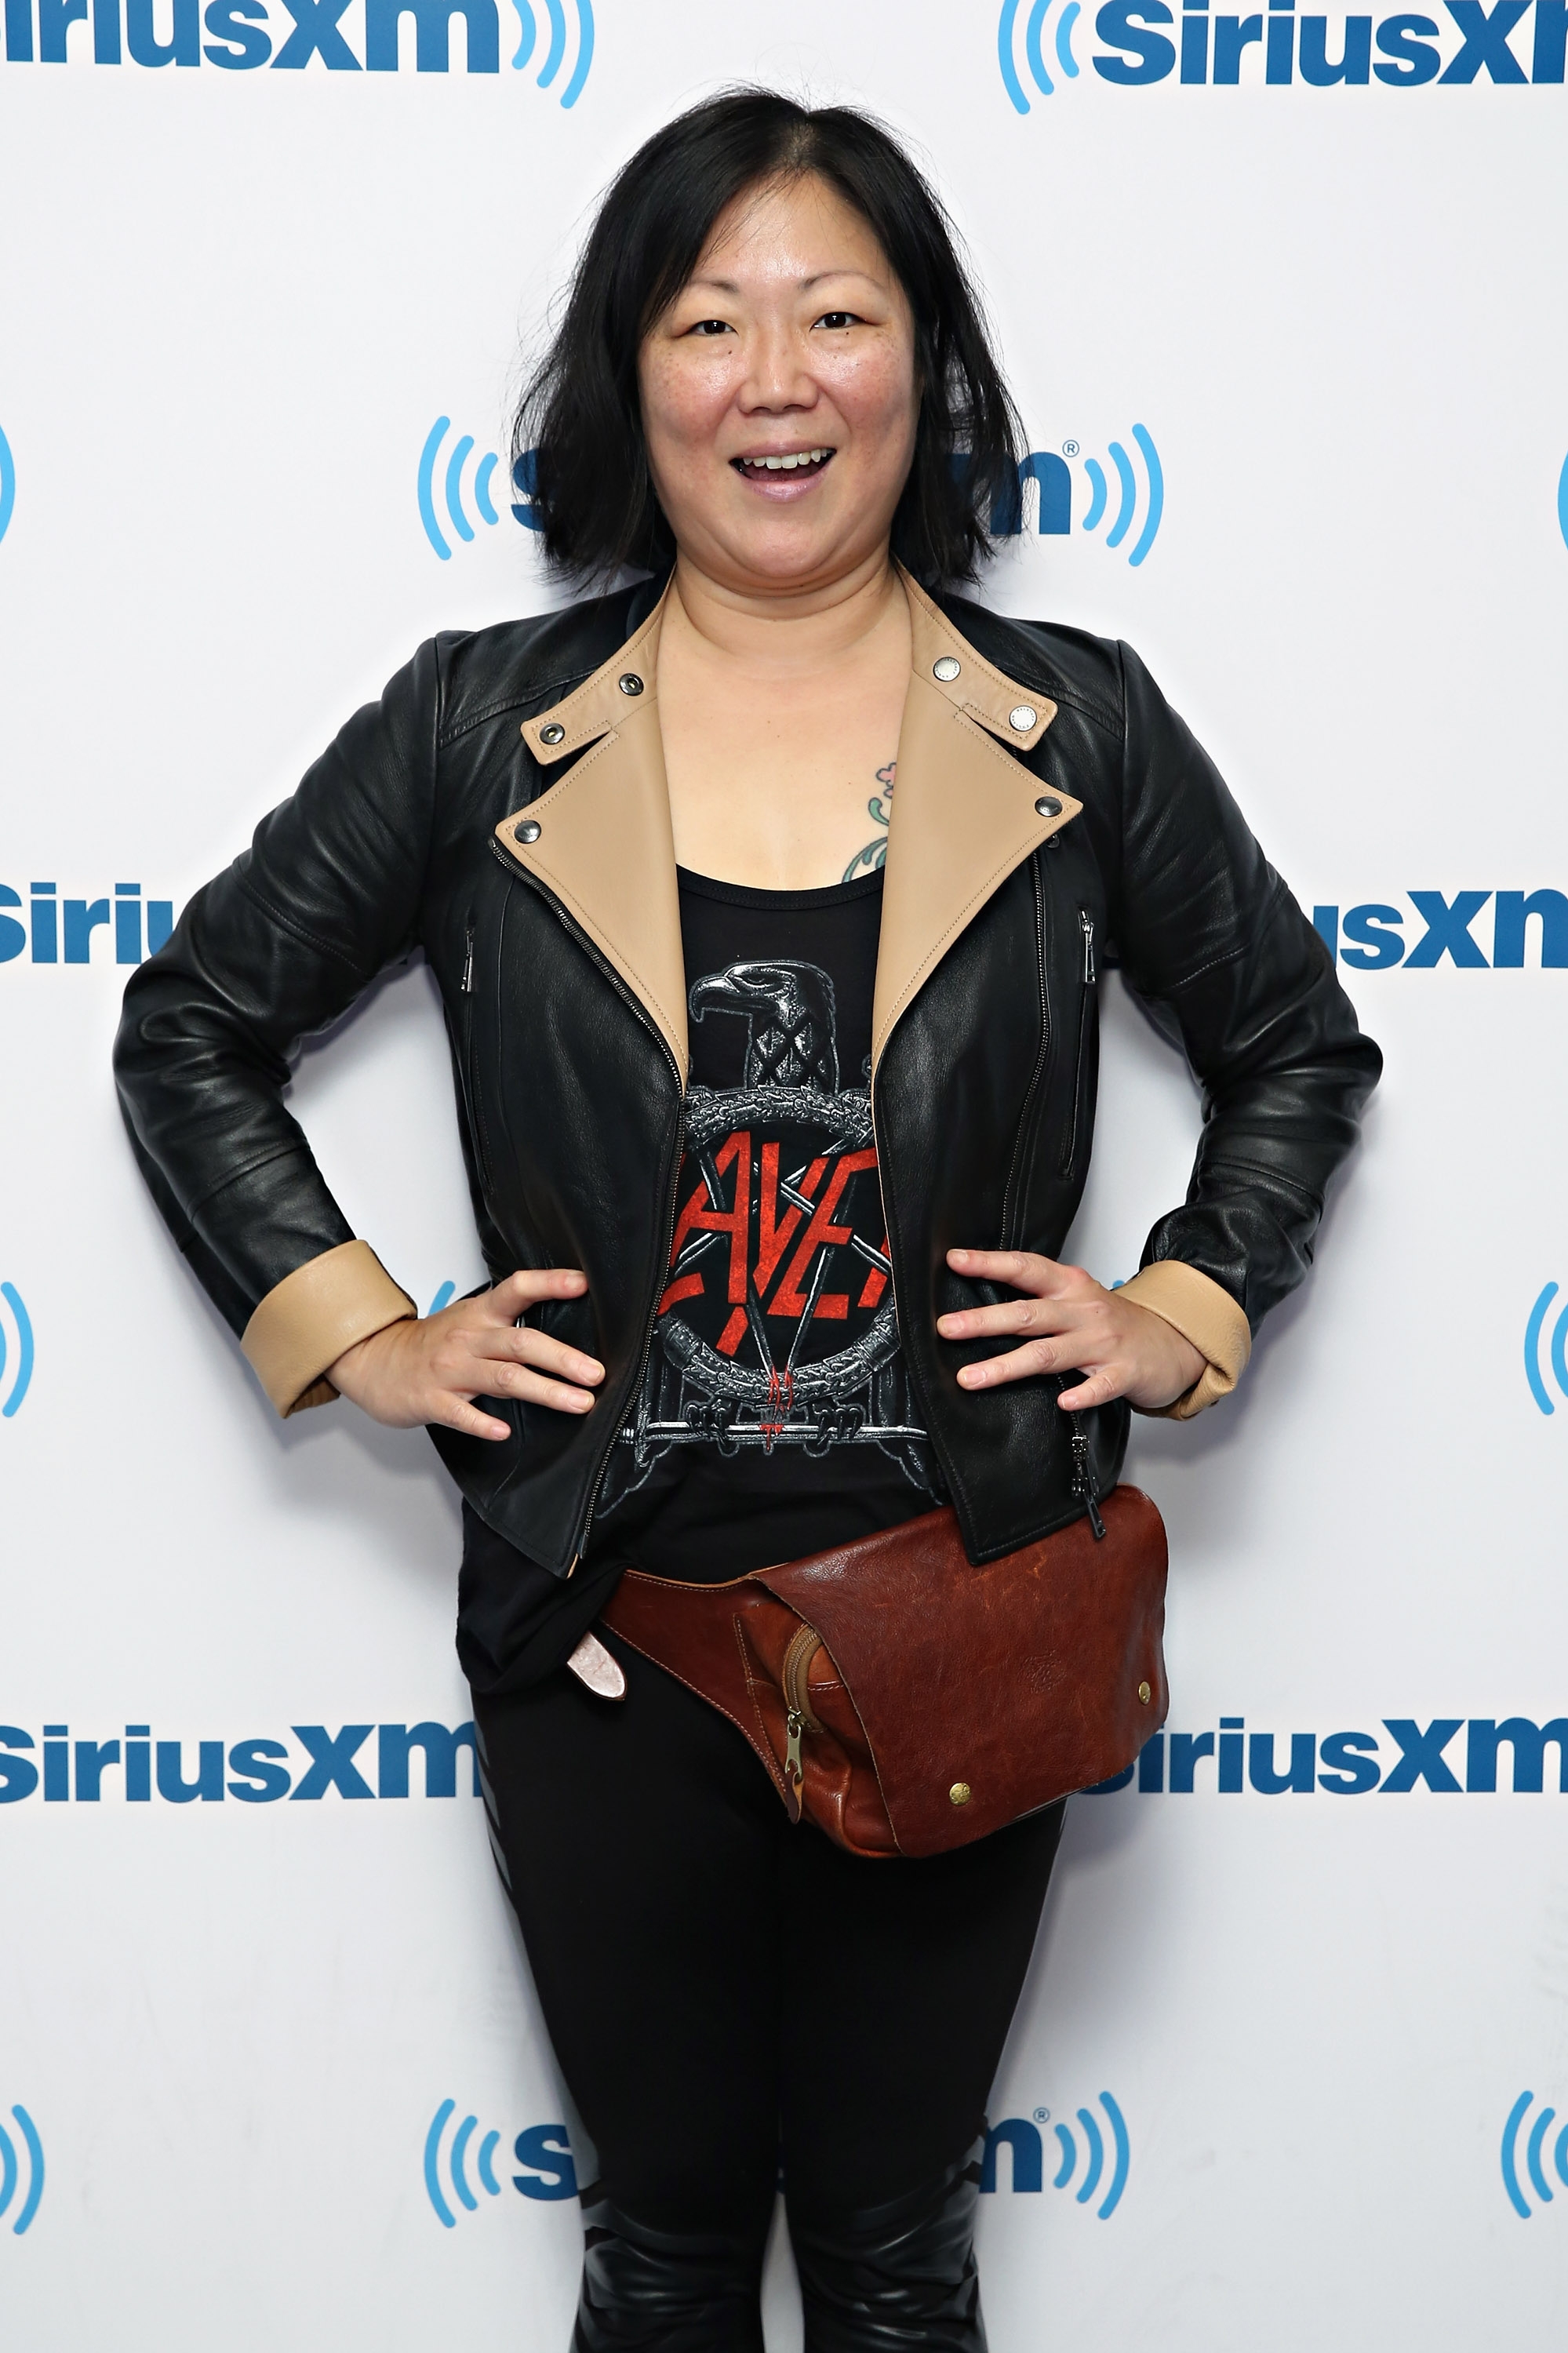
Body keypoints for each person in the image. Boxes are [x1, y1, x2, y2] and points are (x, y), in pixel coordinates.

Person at [115, 89, 1380, 2352]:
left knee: (897, 2262)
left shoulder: (1076, 729)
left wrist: (1190, 1298)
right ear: (631, 375)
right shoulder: (476, 729)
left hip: (961, 1608)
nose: (774, 381)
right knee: (671, 2258)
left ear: (930, 370)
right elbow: (194, 1020)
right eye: (710, 322)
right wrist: (363, 1328)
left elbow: (1297, 1043)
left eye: (836, 316)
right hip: (612, 1634)